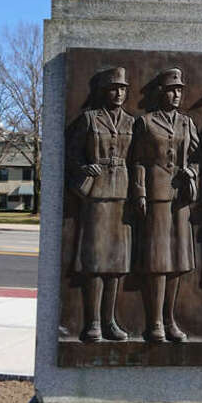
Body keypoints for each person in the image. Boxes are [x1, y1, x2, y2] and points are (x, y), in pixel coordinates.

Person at [67, 66, 134, 343]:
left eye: (122, 89)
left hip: (122, 194)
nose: (118, 93)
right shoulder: (89, 119)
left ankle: (110, 320)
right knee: (95, 261)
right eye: (113, 89)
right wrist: (84, 168)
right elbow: (71, 155)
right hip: (95, 195)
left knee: (116, 263)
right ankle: (92, 322)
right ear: (104, 92)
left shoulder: (132, 122)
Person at [132, 68, 199, 343]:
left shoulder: (186, 123)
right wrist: (139, 193)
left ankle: (170, 319)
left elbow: (197, 156)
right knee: (158, 261)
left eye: (180, 91)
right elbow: (136, 160)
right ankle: (155, 321)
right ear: (161, 93)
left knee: (177, 261)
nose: (176, 95)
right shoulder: (145, 123)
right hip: (156, 195)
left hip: (179, 198)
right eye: (171, 90)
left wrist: (192, 173)